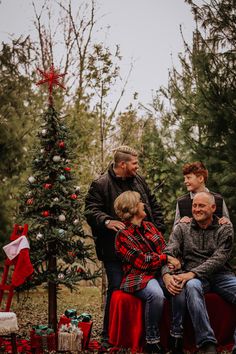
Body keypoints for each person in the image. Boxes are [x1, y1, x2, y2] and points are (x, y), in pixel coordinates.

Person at [85, 146, 165, 349]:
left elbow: (153, 205)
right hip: (114, 251)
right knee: (116, 289)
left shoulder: (139, 181)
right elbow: (90, 210)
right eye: (134, 163)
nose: (137, 167)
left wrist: (157, 231)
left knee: (151, 288)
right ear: (123, 164)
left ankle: (146, 336)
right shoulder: (101, 184)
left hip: (146, 247)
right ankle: (108, 337)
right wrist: (106, 222)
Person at [162, 191, 236, 353]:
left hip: (220, 274)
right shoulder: (182, 227)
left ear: (213, 208)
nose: (196, 209)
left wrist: (191, 274)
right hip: (195, 278)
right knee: (192, 286)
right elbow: (168, 253)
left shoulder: (225, 228)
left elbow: (218, 259)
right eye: (194, 206)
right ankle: (206, 342)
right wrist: (166, 274)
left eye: (201, 205)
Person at [114, 191, 186, 354]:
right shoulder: (122, 235)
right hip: (137, 277)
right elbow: (141, 261)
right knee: (156, 294)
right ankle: (152, 341)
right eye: (140, 202)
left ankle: (176, 337)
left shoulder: (150, 227)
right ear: (132, 208)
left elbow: (164, 250)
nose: (144, 204)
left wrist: (166, 272)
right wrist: (165, 259)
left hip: (158, 273)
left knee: (178, 286)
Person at [174, 161, 230, 226]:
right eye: (184, 178)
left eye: (188, 178)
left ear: (200, 178)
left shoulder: (218, 200)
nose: (185, 181)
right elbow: (175, 230)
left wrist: (226, 222)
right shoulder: (181, 202)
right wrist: (180, 224)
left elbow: (228, 225)